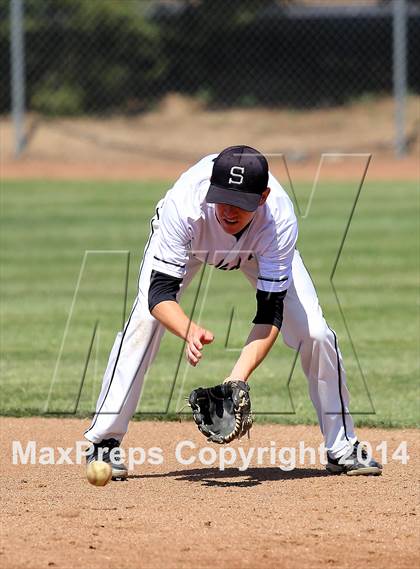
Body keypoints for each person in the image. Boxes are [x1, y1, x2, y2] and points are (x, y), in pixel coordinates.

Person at [84, 145, 382, 478]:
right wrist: (188, 329)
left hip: (258, 252)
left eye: (239, 204)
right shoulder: (185, 205)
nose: (227, 210)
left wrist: (236, 379)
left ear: (262, 197)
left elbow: (270, 313)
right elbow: (159, 294)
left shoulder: (278, 222)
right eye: (222, 198)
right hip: (191, 242)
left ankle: (342, 447)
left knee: (316, 333)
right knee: (144, 321)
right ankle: (104, 441)